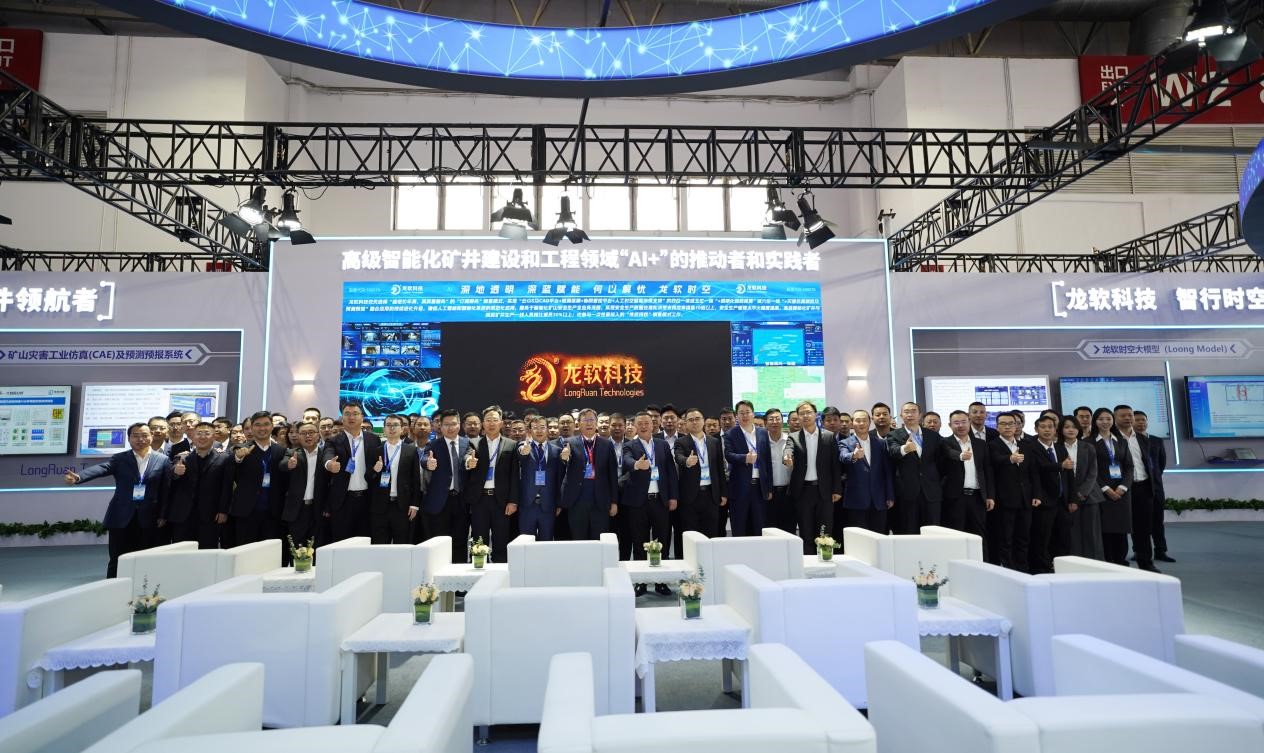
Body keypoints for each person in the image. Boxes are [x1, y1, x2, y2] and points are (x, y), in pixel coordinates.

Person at [65, 422, 171, 577]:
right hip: (121, 516)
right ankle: (113, 586)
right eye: (135, 436)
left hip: (150, 517)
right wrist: (79, 477)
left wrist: (163, 515)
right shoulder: (120, 458)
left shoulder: (162, 460)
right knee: (117, 558)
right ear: (129, 439)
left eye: (144, 435)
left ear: (151, 436)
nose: (140, 439)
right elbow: (102, 468)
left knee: (146, 558)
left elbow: (166, 490)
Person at [622, 411, 679, 595]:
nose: (644, 426)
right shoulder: (629, 445)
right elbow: (626, 461)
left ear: (653, 425)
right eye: (640, 423)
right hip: (638, 502)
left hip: (660, 500)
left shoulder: (662, 445)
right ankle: (641, 582)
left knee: (662, 541)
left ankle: (661, 581)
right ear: (635, 426)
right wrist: (636, 465)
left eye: (647, 422)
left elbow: (670, 471)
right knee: (639, 542)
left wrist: (673, 496)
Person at [320, 401, 383, 543]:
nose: (351, 417)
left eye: (355, 413)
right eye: (347, 414)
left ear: (362, 417)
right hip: (343, 501)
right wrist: (329, 464)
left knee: (365, 541)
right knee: (341, 541)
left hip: (367, 499)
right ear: (342, 418)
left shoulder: (373, 439)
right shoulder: (334, 441)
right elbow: (327, 455)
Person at [421, 408, 475, 562]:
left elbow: (468, 456)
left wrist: (469, 462)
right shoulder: (433, 444)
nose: (450, 428)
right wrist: (428, 463)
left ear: (459, 425)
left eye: (453, 424)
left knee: (461, 540)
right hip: (440, 501)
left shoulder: (466, 442)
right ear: (440, 426)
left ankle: (459, 572)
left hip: (461, 500)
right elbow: (425, 458)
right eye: (446, 424)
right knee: (440, 541)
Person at [788, 401, 842, 555]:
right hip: (803, 491)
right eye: (802, 413)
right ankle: (808, 564)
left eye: (808, 412)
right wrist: (787, 457)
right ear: (798, 417)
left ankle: (825, 561)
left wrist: (837, 489)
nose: (805, 415)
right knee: (806, 532)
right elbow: (788, 450)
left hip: (824, 491)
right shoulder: (793, 437)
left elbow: (835, 466)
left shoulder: (828, 436)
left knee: (825, 532)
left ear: (816, 414)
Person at [227, 410, 288, 546]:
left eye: (266, 424)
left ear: (272, 426)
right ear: (252, 428)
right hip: (247, 511)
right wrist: (238, 458)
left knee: (270, 551)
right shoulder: (240, 449)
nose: (262, 428)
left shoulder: (281, 451)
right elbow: (231, 470)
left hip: (273, 512)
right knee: (245, 551)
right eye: (258, 425)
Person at [167, 421, 231, 548]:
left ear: (214, 436)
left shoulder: (224, 458)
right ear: (193, 436)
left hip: (210, 515)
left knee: (207, 551)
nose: (202, 437)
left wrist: (223, 510)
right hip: (183, 515)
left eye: (207, 433)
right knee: (181, 551)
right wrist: (175, 472)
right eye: (199, 433)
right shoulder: (182, 458)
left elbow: (226, 486)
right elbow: (171, 479)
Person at [558, 408, 619, 540]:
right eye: (585, 420)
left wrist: (614, 502)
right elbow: (564, 463)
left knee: (599, 540)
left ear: (596, 423)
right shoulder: (570, 443)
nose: (589, 423)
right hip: (577, 500)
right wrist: (564, 458)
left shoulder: (607, 444)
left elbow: (612, 475)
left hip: (600, 501)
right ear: (578, 424)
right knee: (578, 539)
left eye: (591, 420)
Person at [988, 412, 1038, 571]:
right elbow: (993, 464)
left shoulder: (1025, 445)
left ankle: (1022, 569)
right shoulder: (992, 445)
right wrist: (1010, 459)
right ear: (997, 427)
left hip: (1025, 499)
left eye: (1011, 423)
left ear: (1017, 426)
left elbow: (1033, 472)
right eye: (1003, 424)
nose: (1008, 427)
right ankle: (1008, 570)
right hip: (1004, 499)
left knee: (1023, 537)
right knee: (1006, 538)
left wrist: (1036, 494)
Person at [886, 402, 944, 533]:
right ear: (901, 416)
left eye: (913, 411)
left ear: (920, 415)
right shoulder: (893, 435)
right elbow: (893, 452)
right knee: (908, 531)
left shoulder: (933, 435)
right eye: (906, 412)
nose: (910, 414)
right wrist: (905, 448)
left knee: (933, 532)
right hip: (907, 493)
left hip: (931, 492)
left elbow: (940, 461)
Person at [468, 406, 517, 563]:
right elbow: (466, 459)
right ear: (483, 424)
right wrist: (469, 462)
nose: (491, 423)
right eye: (488, 420)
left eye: (495, 420)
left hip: (501, 501)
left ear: (501, 423)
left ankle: (500, 574)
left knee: (501, 541)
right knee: (478, 542)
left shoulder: (511, 444)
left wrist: (513, 501)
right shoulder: (473, 443)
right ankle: (477, 572)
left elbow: (515, 476)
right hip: (479, 500)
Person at [941, 410, 994, 551]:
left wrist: (990, 496)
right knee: (956, 535)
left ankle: (982, 563)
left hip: (977, 497)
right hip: (955, 498)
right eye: (956, 423)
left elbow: (987, 471)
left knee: (979, 536)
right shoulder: (944, 442)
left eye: (964, 422)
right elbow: (949, 453)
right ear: (950, 425)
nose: (960, 425)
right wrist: (960, 456)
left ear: (969, 422)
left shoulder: (980, 444)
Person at [1115, 404, 1159, 572]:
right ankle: (1120, 563)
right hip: (1121, 489)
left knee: (1144, 528)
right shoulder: (1112, 438)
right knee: (1120, 528)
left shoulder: (1142, 438)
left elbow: (1154, 463)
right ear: (1115, 418)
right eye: (1123, 415)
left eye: (1130, 415)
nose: (1128, 418)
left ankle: (1146, 562)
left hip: (1143, 487)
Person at [838, 409, 893, 534]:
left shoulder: (881, 443)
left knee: (880, 536)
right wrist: (854, 455)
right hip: (856, 500)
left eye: (864, 420)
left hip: (879, 499)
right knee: (859, 538)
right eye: (858, 421)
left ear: (870, 422)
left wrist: (890, 495)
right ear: (852, 424)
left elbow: (887, 471)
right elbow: (843, 457)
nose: (861, 423)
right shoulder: (844, 443)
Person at [675, 408, 725, 541]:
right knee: (691, 534)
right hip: (691, 496)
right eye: (690, 420)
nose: (694, 422)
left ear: (703, 421)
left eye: (697, 419)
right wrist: (687, 461)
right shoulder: (681, 442)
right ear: (686, 423)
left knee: (711, 534)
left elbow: (720, 468)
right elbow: (678, 457)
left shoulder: (714, 442)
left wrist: (723, 493)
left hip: (711, 494)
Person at [724, 400, 772, 537]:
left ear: (753, 414)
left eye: (747, 412)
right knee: (740, 527)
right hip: (739, 488)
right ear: (736, 416)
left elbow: (767, 461)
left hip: (759, 488)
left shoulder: (763, 433)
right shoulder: (731, 434)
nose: (745, 416)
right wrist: (745, 458)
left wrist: (769, 488)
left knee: (759, 527)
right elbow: (728, 455)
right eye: (741, 413)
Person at [1092, 407, 1133, 567]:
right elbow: (1091, 469)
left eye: (1108, 419)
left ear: (1113, 420)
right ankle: (1108, 562)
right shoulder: (1088, 442)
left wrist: (1123, 486)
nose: (1105, 422)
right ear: (1095, 421)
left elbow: (1129, 466)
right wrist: (1105, 488)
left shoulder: (1121, 441)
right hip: (1101, 492)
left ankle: (1121, 560)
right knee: (1105, 530)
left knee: (1121, 529)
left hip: (1121, 491)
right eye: (1101, 419)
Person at [1059, 415, 1103, 560]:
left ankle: (1094, 563)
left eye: (1074, 427)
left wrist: (1081, 493)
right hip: (1066, 498)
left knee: (1092, 533)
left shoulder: (1088, 447)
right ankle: (1075, 563)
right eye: (1067, 427)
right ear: (1061, 430)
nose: (1071, 430)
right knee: (1073, 534)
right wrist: (1071, 496)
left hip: (1089, 496)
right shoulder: (1057, 447)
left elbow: (1093, 473)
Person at [370, 414, 419, 545]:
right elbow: (368, 478)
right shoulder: (375, 451)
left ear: (402, 429)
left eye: (395, 425)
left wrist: (414, 505)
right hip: (380, 506)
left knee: (402, 544)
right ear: (384, 429)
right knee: (380, 544)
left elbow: (416, 480)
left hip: (402, 506)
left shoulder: (411, 450)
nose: (392, 428)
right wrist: (375, 470)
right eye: (388, 425)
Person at [1027, 414, 1066, 574]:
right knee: (1041, 537)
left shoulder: (1060, 447)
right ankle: (1041, 568)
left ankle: (1056, 564)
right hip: (1043, 499)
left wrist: (1072, 498)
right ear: (1036, 429)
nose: (1047, 430)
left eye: (1050, 427)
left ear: (1055, 430)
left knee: (1059, 536)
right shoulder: (1031, 447)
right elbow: (1038, 468)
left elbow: (1068, 474)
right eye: (1043, 427)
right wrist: (1060, 465)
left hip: (1061, 499)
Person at [513, 416, 562, 540]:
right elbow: (521, 452)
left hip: (548, 504)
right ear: (530, 431)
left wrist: (558, 503)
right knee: (526, 542)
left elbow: (559, 480)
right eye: (535, 428)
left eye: (542, 427)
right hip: (527, 504)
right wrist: (523, 451)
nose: (539, 431)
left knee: (546, 542)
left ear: (547, 429)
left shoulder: (557, 451)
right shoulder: (523, 445)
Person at [1133, 411, 1173, 564]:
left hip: (1155, 487)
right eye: (1137, 420)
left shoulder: (1157, 440)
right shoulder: (1129, 441)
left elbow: (1161, 463)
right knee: (1139, 522)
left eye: (1143, 420)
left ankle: (1160, 550)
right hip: (1138, 487)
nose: (1141, 423)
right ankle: (1138, 550)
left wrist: (1154, 478)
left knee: (1158, 520)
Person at [282, 420, 325, 550]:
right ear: (299, 437)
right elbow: (282, 465)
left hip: (318, 509)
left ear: (318, 435)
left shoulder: (325, 455)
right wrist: (289, 464)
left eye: (311, 432)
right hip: (297, 509)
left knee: (316, 548)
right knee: (297, 548)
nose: (308, 436)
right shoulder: (292, 453)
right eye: (303, 433)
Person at [764, 408, 796, 534]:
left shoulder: (791, 440)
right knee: (770, 530)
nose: (774, 422)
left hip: (788, 492)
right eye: (771, 419)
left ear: (783, 421)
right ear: (766, 423)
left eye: (777, 419)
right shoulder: (762, 442)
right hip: (769, 493)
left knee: (789, 529)